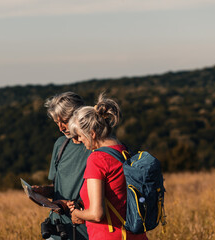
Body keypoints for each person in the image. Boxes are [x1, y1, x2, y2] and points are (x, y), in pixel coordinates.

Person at [66, 93, 148, 240]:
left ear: (92, 134)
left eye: (79, 135)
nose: (78, 139)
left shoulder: (97, 159)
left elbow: (97, 214)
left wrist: (76, 214)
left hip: (109, 235)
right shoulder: (123, 151)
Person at [33, 92, 91, 240]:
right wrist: (41, 192)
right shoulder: (60, 145)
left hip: (85, 231)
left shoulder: (95, 147)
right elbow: (56, 189)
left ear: (78, 116)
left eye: (64, 121)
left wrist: (71, 205)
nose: (60, 127)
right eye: (56, 123)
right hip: (57, 229)